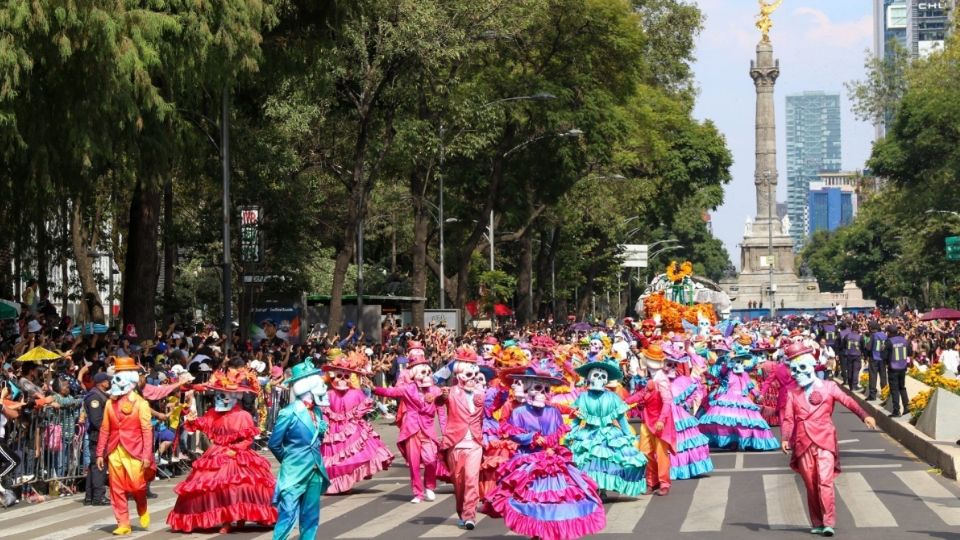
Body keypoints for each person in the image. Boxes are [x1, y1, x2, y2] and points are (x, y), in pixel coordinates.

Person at [485, 363, 606, 540]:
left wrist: (550, 444)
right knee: (531, 501)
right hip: (528, 460)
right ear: (528, 389)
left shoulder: (553, 411)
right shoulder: (519, 412)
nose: (542, 392)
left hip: (551, 460)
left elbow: (558, 433)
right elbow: (513, 434)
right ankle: (538, 533)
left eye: (546, 388)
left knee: (557, 499)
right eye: (538, 387)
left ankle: (551, 533)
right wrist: (531, 438)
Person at [780, 342, 876, 537]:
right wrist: (785, 437)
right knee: (810, 483)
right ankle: (816, 521)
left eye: (802, 368)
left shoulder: (830, 387)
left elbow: (848, 401)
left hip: (825, 439)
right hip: (802, 442)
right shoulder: (792, 393)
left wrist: (864, 415)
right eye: (794, 370)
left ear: (812, 366)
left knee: (825, 481)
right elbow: (788, 418)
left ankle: (828, 521)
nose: (797, 373)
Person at [167, 370, 277, 533]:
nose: (220, 398)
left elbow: (248, 439)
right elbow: (201, 423)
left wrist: (236, 450)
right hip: (217, 453)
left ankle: (240, 517)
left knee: (240, 487)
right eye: (218, 394)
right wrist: (190, 417)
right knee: (217, 487)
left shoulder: (243, 415)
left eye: (225, 394)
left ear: (235, 397)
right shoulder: (213, 413)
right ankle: (226, 520)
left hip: (238, 454)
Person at [268, 360, 331, 540]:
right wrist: (289, 460)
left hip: (315, 470)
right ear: (308, 386)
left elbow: (316, 440)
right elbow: (274, 443)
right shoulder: (288, 412)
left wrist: (321, 434)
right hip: (294, 471)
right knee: (287, 515)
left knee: (311, 517)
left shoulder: (318, 412)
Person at [319, 350, 394, 494]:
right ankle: (335, 484)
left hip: (351, 429)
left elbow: (363, 408)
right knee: (335, 459)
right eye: (339, 375)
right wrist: (325, 427)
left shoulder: (355, 393)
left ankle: (345, 484)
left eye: (346, 376)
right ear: (332, 376)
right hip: (333, 432)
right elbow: (324, 413)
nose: (342, 379)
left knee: (350, 457)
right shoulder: (328, 394)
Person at [95, 357, 154, 536]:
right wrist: (99, 453)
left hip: (135, 451)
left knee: (137, 486)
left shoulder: (141, 403)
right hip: (114, 450)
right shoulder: (109, 404)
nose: (116, 380)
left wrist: (146, 455)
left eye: (121, 375)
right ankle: (123, 522)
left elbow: (147, 431)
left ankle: (142, 505)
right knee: (116, 488)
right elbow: (105, 429)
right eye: (116, 376)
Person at [372, 353, 441, 504]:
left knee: (430, 460)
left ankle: (429, 485)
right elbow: (391, 392)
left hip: (427, 431)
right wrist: (374, 389)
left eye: (427, 370)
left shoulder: (435, 390)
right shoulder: (408, 389)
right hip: (411, 430)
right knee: (414, 463)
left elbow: (443, 407)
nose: (425, 373)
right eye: (421, 371)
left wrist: (447, 429)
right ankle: (417, 492)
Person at [436, 346, 484, 530]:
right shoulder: (451, 392)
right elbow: (437, 400)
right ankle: (462, 511)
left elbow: (492, 410)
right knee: (459, 483)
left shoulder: (481, 393)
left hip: (475, 443)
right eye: (468, 372)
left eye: (474, 373)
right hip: (455, 443)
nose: (472, 377)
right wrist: (441, 396)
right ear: (460, 373)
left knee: (472, 478)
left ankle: (470, 514)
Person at [884, 326, 913, 418]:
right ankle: (907, 407)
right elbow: (909, 352)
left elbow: (884, 356)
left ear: (890, 333)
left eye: (887, 332)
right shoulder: (904, 341)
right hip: (902, 367)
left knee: (894, 389)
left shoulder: (889, 342)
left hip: (893, 368)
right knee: (902, 387)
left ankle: (896, 410)